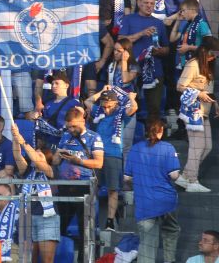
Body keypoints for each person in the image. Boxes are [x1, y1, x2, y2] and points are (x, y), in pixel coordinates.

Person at [125, 119, 181, 263]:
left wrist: (139, 185)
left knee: (148, 242)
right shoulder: (168, 148)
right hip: (166, 201)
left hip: (144, 202)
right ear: (161, 131)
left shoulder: (135, 149)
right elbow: (174, 175)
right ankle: (169, 260)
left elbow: (126, 178)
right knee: (171, 230)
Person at [52, 107, 104, 260]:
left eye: (74, 126)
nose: (71, 129)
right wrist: (58, 154)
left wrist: (78, 161)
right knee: (59, 226)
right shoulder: (65, 136)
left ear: (82, 121)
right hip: (64, 186)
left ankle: (84, 259)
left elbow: (99, 163)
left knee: (85, 229)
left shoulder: (94, 137)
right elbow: (55, 162)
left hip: (84, 187)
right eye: (68, 126)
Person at [85, 88, 138, 230]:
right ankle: (90, 220)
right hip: (96, 154)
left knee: (112, 189)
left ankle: (109, 221)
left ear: (116, 103)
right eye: (104, 106)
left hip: (113, 154)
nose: (107, 109)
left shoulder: (121, 113)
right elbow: (88, 101)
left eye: (109, 106)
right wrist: (102, 90)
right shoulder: (98, 111)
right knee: (93, 188)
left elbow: (134, 108)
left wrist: (131, 97)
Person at [10, 124, 59, 263]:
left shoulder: (51, 171)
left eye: (39, 154)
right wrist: (15, 138)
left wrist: (22, 141)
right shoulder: (27, 171)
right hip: (27, 218)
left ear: (47, 158)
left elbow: (37, 161)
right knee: (28, 259)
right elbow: (17, 155)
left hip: (47, 219)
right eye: (34, 153)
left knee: (47, 260)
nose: (34, 156)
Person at [175, 43, 219, 193]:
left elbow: (208, 90)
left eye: (216, 54)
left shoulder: (209, 66)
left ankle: (185, 176)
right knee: (197, 146)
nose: (214, 57)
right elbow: (180, 86)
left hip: (205, 111)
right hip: (193, 111)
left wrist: (215, 103)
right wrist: (198, 93)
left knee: (207, 146)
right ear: (205, 51)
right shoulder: (193, 64)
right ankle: (192, 180)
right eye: (213, 53)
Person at [118, 0, 170, 118]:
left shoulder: (159, 23)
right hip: (131, 69)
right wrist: (141, 33)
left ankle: (153, 130)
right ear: (138, 3)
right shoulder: (129, 19)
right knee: (129, 108)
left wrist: (158, 51)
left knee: (154, 109)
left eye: (152, 3)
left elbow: (167, 49)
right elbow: (120, 41)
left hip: (154, 71)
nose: (149, 6)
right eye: (146, 3)